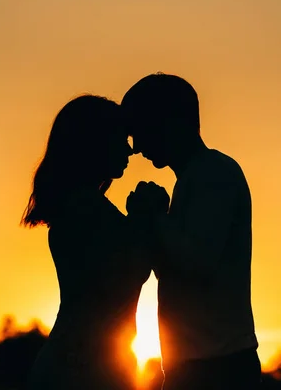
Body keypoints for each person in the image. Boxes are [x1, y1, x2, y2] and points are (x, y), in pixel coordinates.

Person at [122, 73, 261, 389]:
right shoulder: (192, 180)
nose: (137, 147)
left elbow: (197, 264)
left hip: (218, 368)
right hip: (195, 365)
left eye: (140, 130)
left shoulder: (214, 174)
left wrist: (155, 216)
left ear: (169, 122)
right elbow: (173, 271)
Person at [22, 95, 153, 389]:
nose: (130, 150)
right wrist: (144, 220)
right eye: (121, 139)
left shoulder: (83, 205)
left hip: (83, 362)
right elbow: (122, 279)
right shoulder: (85, 208)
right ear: (94, 143)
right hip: (81, 367)